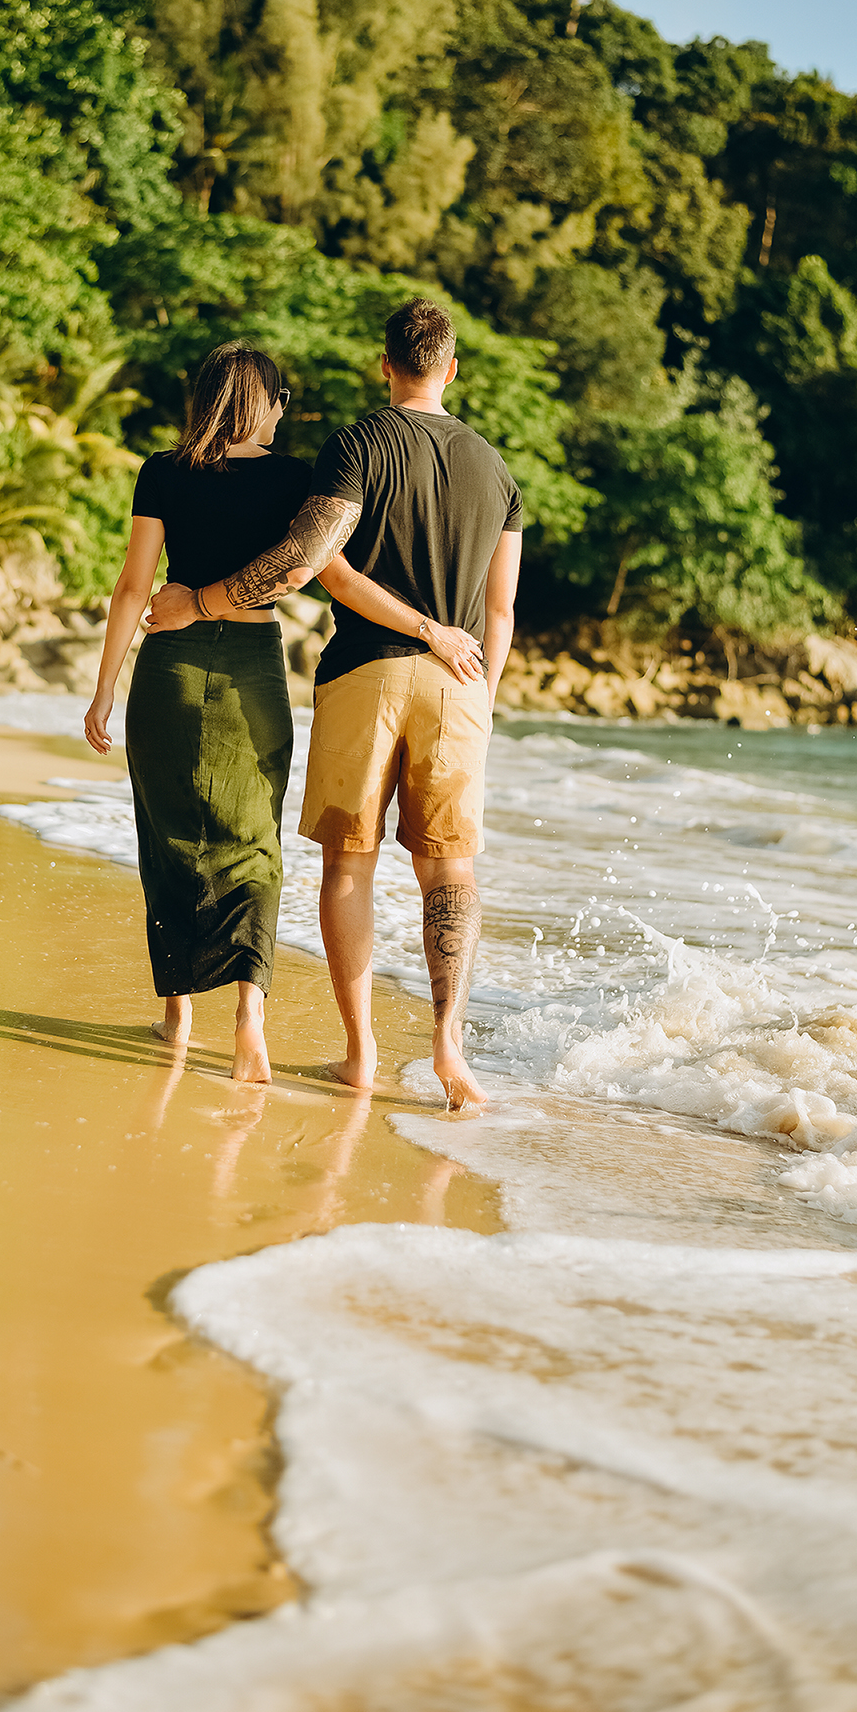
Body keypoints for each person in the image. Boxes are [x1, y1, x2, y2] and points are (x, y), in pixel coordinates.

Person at [147, 297, 523, 1109]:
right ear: (452, 370)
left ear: (384, 364)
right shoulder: (498, 470)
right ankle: (449, 1044)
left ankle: (361, 1056)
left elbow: (316, 559)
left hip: (368, 672)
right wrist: (481, 699)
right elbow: (500, 615)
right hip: (463, 687)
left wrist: (202, 600)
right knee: (448, 869)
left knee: (349, 863)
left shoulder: (360, 442)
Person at [83, 343, 310, 1084]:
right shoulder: (295, 481)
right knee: (255, 840)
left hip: (169, 670)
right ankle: (250, 1014)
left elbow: (131, 586)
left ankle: (178, 1014)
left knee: (170, 835)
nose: (283, 412)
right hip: (254, 667)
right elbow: (305, 571)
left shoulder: (164, 470)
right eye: (280, 399)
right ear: (265, 401)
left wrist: (104, 686)